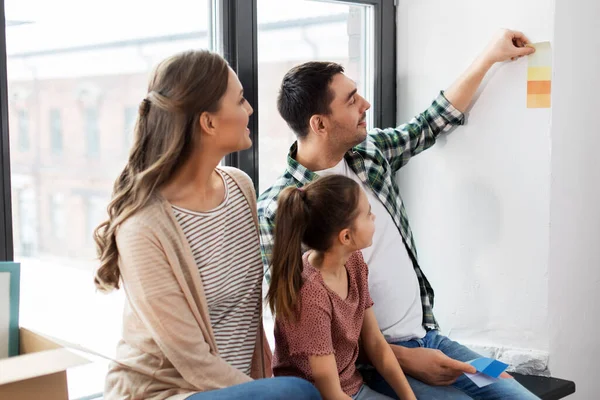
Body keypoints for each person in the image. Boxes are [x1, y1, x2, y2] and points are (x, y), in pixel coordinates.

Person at [258, 30, 539, 399]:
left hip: (431, 338)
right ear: (319, 124)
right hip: (372, 364)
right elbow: (305, 320)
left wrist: (490, 56)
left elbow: (429, 123)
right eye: (351, 100)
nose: (366, 104)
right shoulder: (279, 207)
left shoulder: (370, 153)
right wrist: (399, 358)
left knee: (518, 394)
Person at [94, 50, 320, 400]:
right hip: (167, 393)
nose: (250, 110)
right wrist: (269, 393)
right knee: (295, 393)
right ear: (208, 122)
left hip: (233, 389)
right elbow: (193, 360)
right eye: (240, 100)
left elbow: (249, 321)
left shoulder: (240, 186)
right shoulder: (143, 226)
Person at [267, 175, 415, 400]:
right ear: (346, 236)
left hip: (353, 387)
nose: (373, 216)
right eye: (367, 214)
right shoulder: (311, 296)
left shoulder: (354, 262)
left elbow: (376, 343)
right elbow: (330, 394)